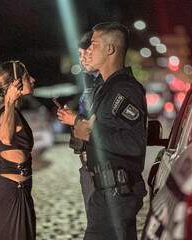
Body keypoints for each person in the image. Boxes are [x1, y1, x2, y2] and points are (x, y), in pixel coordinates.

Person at [62, 22, 148, 240]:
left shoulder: (124, 90)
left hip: (117, 193)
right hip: (107, 192)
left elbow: (134, 143)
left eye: (94, 44)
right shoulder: (105, 88)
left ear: (110, 49)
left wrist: (89, 131)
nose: (90, 49)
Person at [0, 60, 36, 240]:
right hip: (10, 196)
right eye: (28, 77)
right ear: (16, 83)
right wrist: (10, 101)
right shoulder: (4, 113)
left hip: (19, 193)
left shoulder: (10, 112)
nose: (33, 80)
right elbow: (5, 138)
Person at [57, 31, 101, 212]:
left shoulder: (107, 87)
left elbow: (100, 129)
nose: (82, 59)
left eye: (86, 54)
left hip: (102, 168)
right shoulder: (90, 86)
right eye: (80, 55)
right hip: (87, 164)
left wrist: (75, 119)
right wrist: (73, 119)